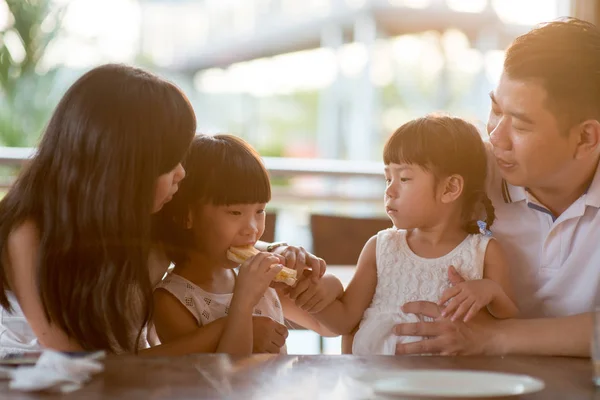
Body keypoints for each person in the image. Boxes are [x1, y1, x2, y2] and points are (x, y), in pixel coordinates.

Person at [393, 17, 600, 357]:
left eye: (520, 125)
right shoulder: (465, 171)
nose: (496, 136)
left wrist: (493, 337)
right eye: (494, 109)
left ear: (585, 137)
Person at [0, 64, 195, 355]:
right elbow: (76, 356)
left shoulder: (148, 216)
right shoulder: (27, 233)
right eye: (168, 163)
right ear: (121, 168)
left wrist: (275, 256)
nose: (182, 173)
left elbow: (221, 249)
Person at [310, 115, 517, 355]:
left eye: (404, 178)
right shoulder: (380, 247)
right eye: (388, 178)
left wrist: (491, 291)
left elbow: (508, 321)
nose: (390, 190)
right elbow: (344, 320)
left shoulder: (484, 252)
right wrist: (312, 298)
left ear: (450, 188)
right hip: (373, 383)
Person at [152, 134, 342, 354]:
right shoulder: (171, 301)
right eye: (235, 212)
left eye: (260, 211)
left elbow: (329, 327)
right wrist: (243, 304)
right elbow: (226, 377)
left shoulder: (261, 277)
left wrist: (327, 284)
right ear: (187, 215)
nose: (252, 227)